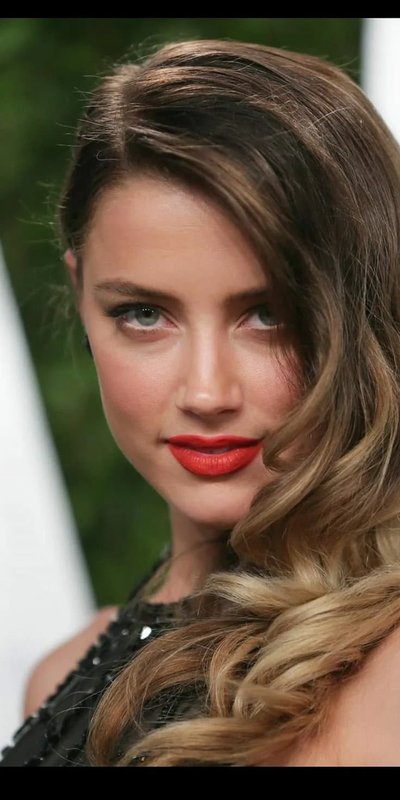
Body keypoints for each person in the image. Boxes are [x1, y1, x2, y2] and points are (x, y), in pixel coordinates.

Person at [2, 37, 400, 768]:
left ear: (367, 313)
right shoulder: (59, 674)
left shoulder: (388, 674)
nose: (208, 393)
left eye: (269, 315)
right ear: (81, 298)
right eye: (143, 315)